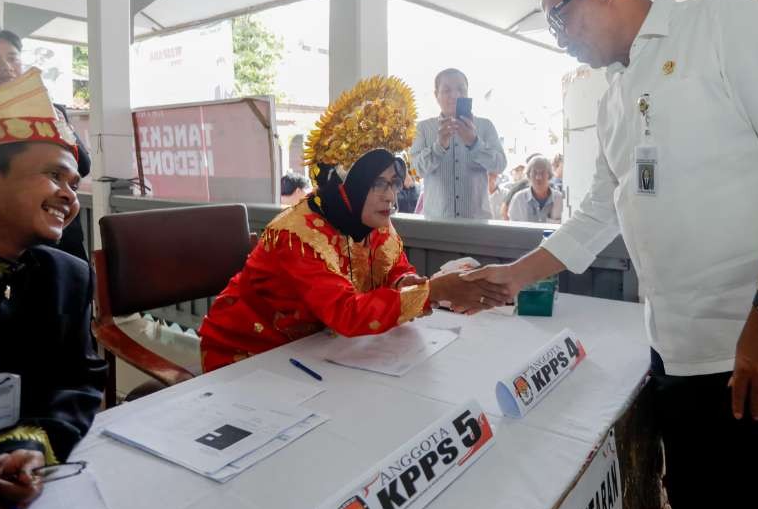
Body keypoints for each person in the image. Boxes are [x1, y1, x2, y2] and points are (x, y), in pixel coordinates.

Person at [466, 0, 758, 509]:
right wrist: (512, 276)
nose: (557, 36)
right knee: (706, 506)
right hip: (679, 350)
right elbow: (599, 209)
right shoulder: (614, 93)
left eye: (556, 16)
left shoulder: (722, 22)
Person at [199, 76, 510, 372]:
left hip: (317, 349)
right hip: (251, 353)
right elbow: (345, 312)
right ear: (348, 185)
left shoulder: (372, 221)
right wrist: (431, 292)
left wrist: (414, 283)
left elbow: (395, 270)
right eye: (377, 183)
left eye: (393, 182)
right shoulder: (297, 235)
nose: (390, 196)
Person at [0, 69, 106, 509]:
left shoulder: (69, 277)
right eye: (54, 176)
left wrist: (30, 446)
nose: (69, 197)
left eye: (74, 184)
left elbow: (80, 380)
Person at [0, 26, 91, 261]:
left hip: (58, 235)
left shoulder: (53, 110)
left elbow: (83, 165)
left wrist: (52, 118)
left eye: (13, 58)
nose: (6, 66)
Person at [410, 68, 507, 219]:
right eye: (447, 90)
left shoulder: (485, 126)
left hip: (477, 223)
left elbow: (500, 165)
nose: (455, 95)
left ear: (468, 92)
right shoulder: (423, 128)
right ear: (436, 95)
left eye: (461, 89)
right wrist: (439, 146)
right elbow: (415, 171)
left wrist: (474, 143)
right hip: (436, 222)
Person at [507, 155, 563, 223]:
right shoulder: (518, 199)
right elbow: (514, 230)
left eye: (542, 173)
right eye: (534, 172)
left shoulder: (559, 199)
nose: (538, 177)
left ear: (549, 175)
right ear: (528, 175)